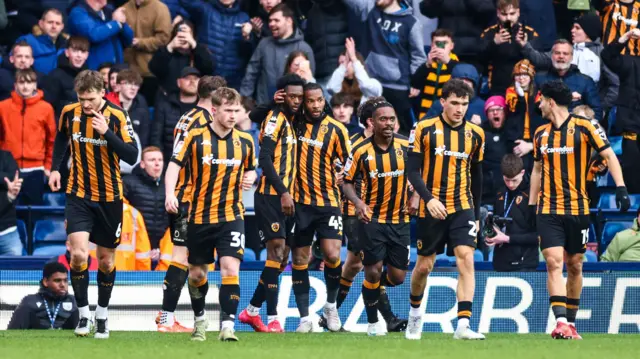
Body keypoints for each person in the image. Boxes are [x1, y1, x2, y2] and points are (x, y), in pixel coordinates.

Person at [530, 80, 630, 339]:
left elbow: (609, 156)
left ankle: (571, 323)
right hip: (548, 208)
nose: (538, 104)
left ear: (551, 101)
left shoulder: (585, 127)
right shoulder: (540, 134)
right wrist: (531, 206)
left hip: (578, 208)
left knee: (574, 265)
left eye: (541, 99)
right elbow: (537, 170)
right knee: (553, 263)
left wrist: (620, 188)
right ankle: (560, 321)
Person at [48, 70, 139, 339]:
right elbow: (61, 138)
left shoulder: (118, 116)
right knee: (77, 256)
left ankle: (102, 314)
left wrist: (107, 133)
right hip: (78, 194)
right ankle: (84, 314)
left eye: (90, 98)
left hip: (110, 198)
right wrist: (55, 169)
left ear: (102, 93)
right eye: (81, 98)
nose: (85, 104)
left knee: (106, 261)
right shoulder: (70, 112)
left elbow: (132, 155)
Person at [164, 87, 257, 342]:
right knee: (197, 275)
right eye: (227, 110)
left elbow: (251, 170)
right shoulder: (194, 137)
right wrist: (170, 193)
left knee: (229, 268)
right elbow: (173, 166)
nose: (232, 115)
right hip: (198, 217)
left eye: (236, 110)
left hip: (231, 215)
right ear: (214, 110)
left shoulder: (246, 141)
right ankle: (200, 320)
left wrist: (251, 175)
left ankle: (228, 325)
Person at [406, 79, 485, 340]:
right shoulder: (424, 128)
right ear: (443, 102)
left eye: (464, 104)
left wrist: (475, 214)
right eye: (454, 103)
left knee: (466, 258)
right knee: (424, 266)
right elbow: (412, 170)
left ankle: (463, 325)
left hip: (462, 206)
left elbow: (478, 175)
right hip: (432, 207)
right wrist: (427, 198)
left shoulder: (476, 134)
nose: (459, 109)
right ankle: (415, 314)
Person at [327, 96, 406, 333]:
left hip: (388, 215)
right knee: (368, 264)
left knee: (353, 265)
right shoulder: (353, 146)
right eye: (382, 119)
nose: (390, 124)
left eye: (392, 119)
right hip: (355, 212)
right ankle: (386, 318)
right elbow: (338, 174)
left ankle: (330, 310)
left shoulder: (399, 146)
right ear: (369, 123)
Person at [239, 74, 304, 333]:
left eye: (301, 96)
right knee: (275, 254)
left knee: (283, 256)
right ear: (282, 95)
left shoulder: (294, 120)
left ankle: (252, 311)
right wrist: (284, 191)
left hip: (290, 197)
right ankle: (274, 318)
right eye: (292, 96)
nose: (298, 101)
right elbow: (264, 159)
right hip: (270, 195)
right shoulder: (274, 120)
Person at [155, 76, 221, 333]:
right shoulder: (203, 122)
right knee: (182, 258)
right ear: (214, 95)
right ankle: (166, 318)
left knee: (196, 264)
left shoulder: (187, 116)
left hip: (187, 196)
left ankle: (195, 321)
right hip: (190, 198)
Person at [290, 83, 351, 333]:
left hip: (328, 202)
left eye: (319, 100)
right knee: (300, 259)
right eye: (310, 101)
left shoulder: (337, 130)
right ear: (303, 102)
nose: (315, 105)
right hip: (299, 202)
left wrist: (343, 175)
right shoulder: (293, 123)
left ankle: (330, 305)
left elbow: (348, 163)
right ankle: (304, 318)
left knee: (333, 255)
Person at [343, 0, 426, 134]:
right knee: (368, 130)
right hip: (371, 84)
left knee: (396, 134)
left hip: (398, 88)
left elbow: (418, 56)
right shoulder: (370, 9)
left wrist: (416, 81)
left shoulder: (411, 22)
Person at [0, 69, 56, 205]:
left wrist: (48, 166)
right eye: (22, 82)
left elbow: (52, 140)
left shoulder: (46, 108)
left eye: (29, 82)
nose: (25, 86)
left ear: (35, 85)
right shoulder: (2, 107)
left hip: (35, 170)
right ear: (15, 85)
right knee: (8, 213)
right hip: (9, 169)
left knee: (34, 214)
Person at [241, 3, 315, 105]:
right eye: (270, 20)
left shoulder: (304, 49)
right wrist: (245, 99)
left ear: (289, 21)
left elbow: (310, 83)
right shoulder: (264, 44)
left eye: (276, 20)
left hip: (292, 110)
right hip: (264, 107)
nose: (271, 24)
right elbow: (251, 73)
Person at [179, 0, 253, 89]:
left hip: (232, 81)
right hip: (205, 77)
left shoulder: (244, 17)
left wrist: (247, 37)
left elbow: (249, 53)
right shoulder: (205, 9)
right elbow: (186, 2)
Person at [601, 28, 640, 193]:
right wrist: (623, 39)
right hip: (632, 128)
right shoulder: (632, 62)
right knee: (632, 169)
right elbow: (608, 56)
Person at [486, 154, 537, 271]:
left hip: (525, 264)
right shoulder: (500, 190)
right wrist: (492, 232)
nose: (510, 184)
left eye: (514, 180)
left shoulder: (533, 194)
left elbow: (539, 236)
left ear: (522, 173)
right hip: (500, 261)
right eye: (507, 180)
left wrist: (507, 238)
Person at [480, 0, 540, 95]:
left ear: (518, 12)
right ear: (498, 13)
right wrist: (494, 43)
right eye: (504, 14)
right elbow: (480, 60)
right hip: (497, 87)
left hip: (524, 86)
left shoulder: (530, 33)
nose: (508, 18)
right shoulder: (488, 33)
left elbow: (537, 61)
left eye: (512, 13)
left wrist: (524, 45)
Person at [533, 39, 602, 121]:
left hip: (575, 130)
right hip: (546, 129)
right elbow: (534, 108)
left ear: (572, 57)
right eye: (557, 53)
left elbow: (597, 112)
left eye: (565, 53)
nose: (561, 56)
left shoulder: (585, 81)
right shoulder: (539, 79)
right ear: (551, 55)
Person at [148, 20, 216, 98]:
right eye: (180, 34)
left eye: (187, 34)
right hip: (168, 100)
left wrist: (194, 45)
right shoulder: (166, 51)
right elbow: (155, 69)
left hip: (194, 99)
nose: (183, 37)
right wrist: (169, 47)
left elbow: (210, 68)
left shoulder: (200, 51)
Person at [150, 67, 201, 164]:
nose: (192, 81)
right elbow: (156, 138)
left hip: (197, 162)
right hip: (169, 161)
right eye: (187, 78)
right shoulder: (164, 105)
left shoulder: (206, 108)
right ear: (178, 82)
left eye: (195, 79)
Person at [7, 262, 79, 330]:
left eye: (65, 280)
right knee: (26, 309)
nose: (63, 285)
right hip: (34, 341)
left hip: (67, 341)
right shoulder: (29, 301)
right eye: (57, 280)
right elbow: (12, 332)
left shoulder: (74, 301)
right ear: (45, 282)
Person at [123, 146, 169, 252]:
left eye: (160, 160)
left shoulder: (169, 186)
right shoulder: (128, 183)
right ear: (142, 164)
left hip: (162, 249)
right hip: (135, 247)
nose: (157, 163)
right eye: (152, 160)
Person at [67, 0, 134, 70]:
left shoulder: (109, 11)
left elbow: (129, 40)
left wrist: (122, 22)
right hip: (94, 70)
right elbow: (93, 35)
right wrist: (116, 23)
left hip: (115, 69)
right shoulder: (78, 13)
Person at [504, 59, 545, 173]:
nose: (521, 78)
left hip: (534, 138)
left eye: (524, 74)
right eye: (518, 75)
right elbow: (514, 109)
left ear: (531, 76)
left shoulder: (538, 92)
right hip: (516, 137)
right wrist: (521, 96)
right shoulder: (511, 91)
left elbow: (541, 111)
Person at [410, 29, 458, 120]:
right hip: (424, 114)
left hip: (447, 114)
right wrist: (427, 65)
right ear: (432, 45)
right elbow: (414, 84)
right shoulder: (426, 65)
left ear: (451, 46)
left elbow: (460, 80)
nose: (441, 46)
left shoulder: (456, 65)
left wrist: (447, 61)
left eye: (444, 43)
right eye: (437, 43)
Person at [326, 37, 383, 106]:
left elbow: (365, 85)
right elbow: (331, 88)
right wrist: (344, 64)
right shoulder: (338, 84)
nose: (343, 66)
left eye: (346, 62)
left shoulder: (374, 84)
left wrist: (353, 58)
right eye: (340, 63)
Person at [43, 36, 91, 118]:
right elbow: (48, 107)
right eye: (75, 51)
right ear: (67, 53)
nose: (79, 55)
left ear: (87, 55)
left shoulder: (90, 77)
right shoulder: (55, 76)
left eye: (83, 52)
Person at [16, 8, 66, 75]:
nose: (54, 26)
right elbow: (12, 63)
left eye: (57, 23)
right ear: (41, 23)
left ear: (62, 27)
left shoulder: (68, 44)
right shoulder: (27, 41)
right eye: (50, 22)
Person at [481, 96, 509, 206]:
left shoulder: (512, 132)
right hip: (486, 190)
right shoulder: (480, 132)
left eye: (499, 109)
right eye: (491, 110)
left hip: (507, 188)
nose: (495, 113)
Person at [0, 150, 22, 256]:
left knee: (16, 268)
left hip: (8, 233)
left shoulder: (6, 156)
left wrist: (9, 196)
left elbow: (14, 177)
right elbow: (7, 177)